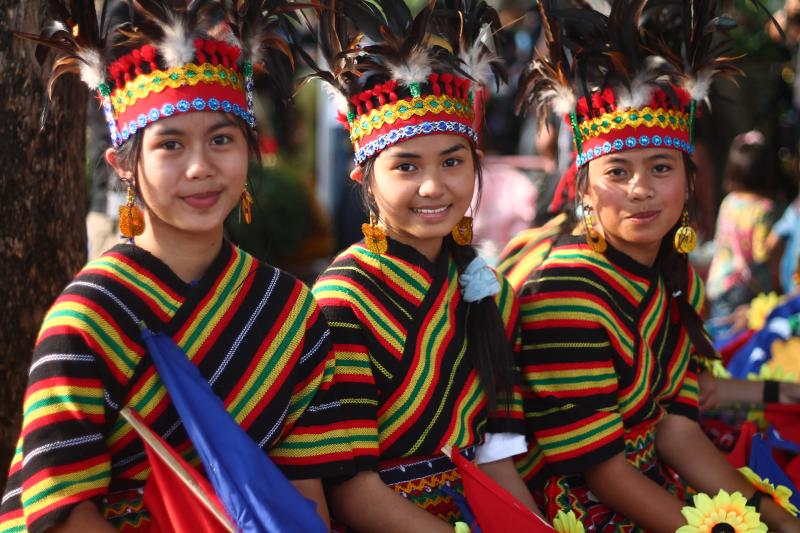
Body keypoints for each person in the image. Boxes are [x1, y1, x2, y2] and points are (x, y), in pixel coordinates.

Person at [0, 2, 354, 531]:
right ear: (122, 164)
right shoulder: (87, 320)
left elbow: (303, 491)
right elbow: (65, 510)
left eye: (221, 139)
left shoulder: (287, 308)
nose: (201, 167)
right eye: (170, 144)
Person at [510, 1, 800, 531]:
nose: (640, 189)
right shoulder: (564, 294)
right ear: (582, 188)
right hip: (583, 505)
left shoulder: (677, 274)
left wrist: (767, 516)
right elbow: (602, 472)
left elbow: (676, 426)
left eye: (661, 168)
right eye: (617, 171)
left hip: (655, 478)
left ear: (690, 180)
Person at [305, 1, 542, 530]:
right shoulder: (342, 301)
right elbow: (352, 490)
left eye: (453, 162)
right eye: (406, 165)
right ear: (363, 177)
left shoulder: (490, 291)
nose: (434, 186)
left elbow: (495, 458)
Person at [706, 131, 779, 323]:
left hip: (719, 281)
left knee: (722, 338)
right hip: (746, 286)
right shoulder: (763, 209)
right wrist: (777, 239)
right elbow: (760, 253)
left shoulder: (729, 202)